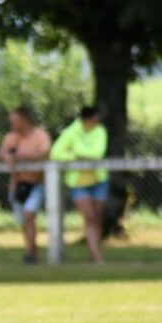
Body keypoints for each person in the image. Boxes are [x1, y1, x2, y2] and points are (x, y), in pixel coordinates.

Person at [51, 106, 109, 264]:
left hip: (98, 180)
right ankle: (96, 255)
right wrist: (75, 156)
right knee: (89, 217)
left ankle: (95, 252)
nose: (96, 121)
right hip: (78, 182)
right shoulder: (71, 132)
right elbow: (56, 153)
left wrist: (77, 152)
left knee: (97, 217)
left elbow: (97, 153)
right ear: (87, 119)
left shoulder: (100, 131)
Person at [0, 106, 51, 264]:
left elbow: (43, 154)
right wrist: (7, 157)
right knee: (24, 221)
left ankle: (30, 253)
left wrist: (20, 156)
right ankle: (31, 248)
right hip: (17, 184)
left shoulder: (40, 136)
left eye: (14, 121)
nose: (12, 124)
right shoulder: (11, 137)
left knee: (29, 215)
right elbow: (2, 153)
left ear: (25, 120)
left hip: (36, 184)